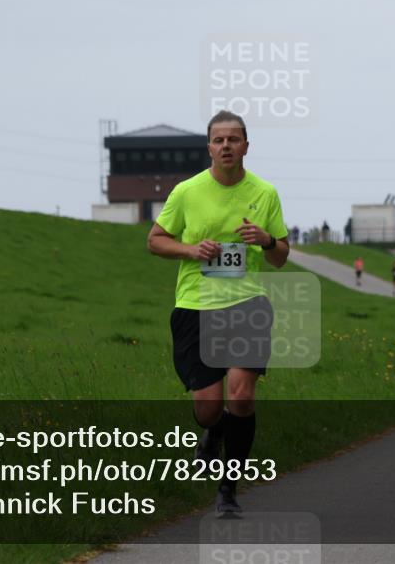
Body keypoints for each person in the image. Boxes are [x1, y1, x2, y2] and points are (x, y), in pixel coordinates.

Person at [147, 110, 289, 514]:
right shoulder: (186, 192)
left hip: (247, 304)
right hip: (195, 306)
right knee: (208, 408)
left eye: (234, 139)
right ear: (208, 147)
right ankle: (212, 433)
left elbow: (280, 258)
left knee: (241, 397)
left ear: (246, 145)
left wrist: (265, 240)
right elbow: (155, 241)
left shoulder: (265, 193)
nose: (226, 146)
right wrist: (192, 250)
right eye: (218, 140)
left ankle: (229, 490)